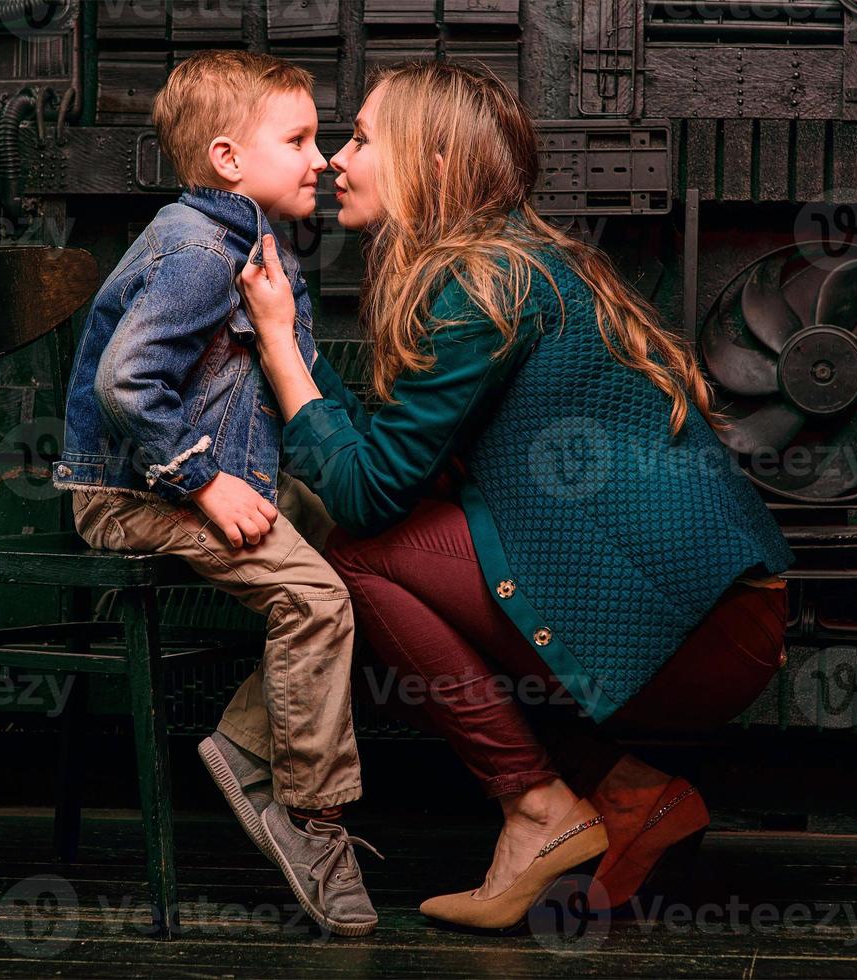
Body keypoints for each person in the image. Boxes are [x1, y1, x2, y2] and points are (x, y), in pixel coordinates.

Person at [236, 60, 794, 931]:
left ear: (434, 163)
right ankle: (632, 794)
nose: (339, 159)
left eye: (364, 139)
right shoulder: (508, 262)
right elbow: (383, 462)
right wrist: (299, 346)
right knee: (421, 574)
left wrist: (276, 346)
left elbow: (368, 496)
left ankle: (536, 809)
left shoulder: (482, 289)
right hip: (727, 616)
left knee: (361, 561)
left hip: (706, 631)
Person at [53, 50, 380, 937]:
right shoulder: (199, 250)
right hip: (136, 495)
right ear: (230, 159)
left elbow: (294, 380)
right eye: (300, 137)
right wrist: (202, 482)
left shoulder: (248, 240)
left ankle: (244, 742)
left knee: (365, 560)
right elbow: (128, 385)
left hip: (201, 478)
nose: (322, 157)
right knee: (316, 601)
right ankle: (309, 817)